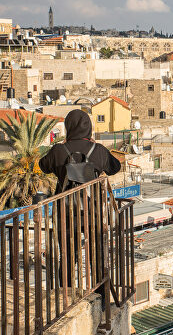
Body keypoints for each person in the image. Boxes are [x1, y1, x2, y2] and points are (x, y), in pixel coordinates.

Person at [39, 109, 121, 289]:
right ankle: (101, 294)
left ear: (69, 127)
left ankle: (66, 295)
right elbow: (115, 167)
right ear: (88, 127)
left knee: (67, 256)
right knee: (98, 254)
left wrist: (62, 148)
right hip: (94, 211)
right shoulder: (98, 150)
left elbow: (43, 166)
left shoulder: (59, 150)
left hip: (65, 213)